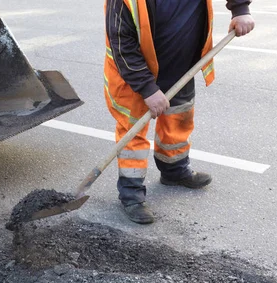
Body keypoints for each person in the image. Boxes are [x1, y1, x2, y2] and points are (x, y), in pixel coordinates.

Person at [104, 0, 255, 224]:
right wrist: (147, 89)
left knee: (178, 119)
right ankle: (131, 194)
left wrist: (240, 9)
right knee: (132, 132)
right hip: (135, 75)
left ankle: (174, 170)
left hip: (181, 66)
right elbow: (121, 43)